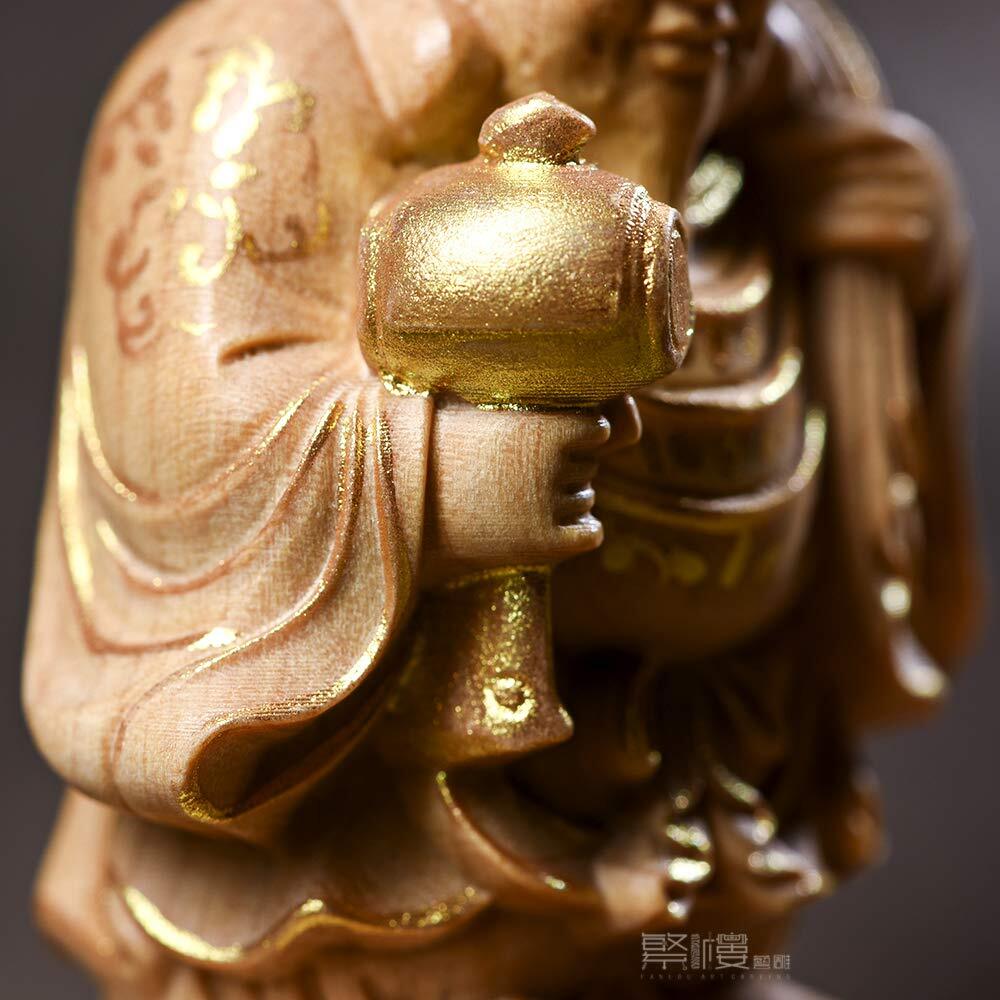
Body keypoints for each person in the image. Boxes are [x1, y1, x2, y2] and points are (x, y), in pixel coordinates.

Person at [23, 1, 980, 997]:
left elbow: (885, 519)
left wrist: (899, 269)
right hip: (383, 910)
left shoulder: (785, 105)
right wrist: (439, 479)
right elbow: (176, 426)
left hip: (701, 850)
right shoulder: (257, 74)